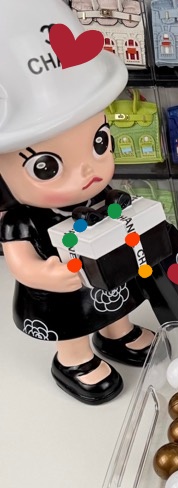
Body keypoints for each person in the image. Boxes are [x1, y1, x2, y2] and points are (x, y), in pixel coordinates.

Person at [0, 1, 155, 405]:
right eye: (47, 166)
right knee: (71, 319)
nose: (87, 171)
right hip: (63, 285)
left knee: (116, 297)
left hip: (106, 267)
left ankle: (117, 333)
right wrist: (43, 274)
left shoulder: (95, 193)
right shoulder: (20, 219)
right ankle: (73, 359)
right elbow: (19, 261)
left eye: (100, 142)